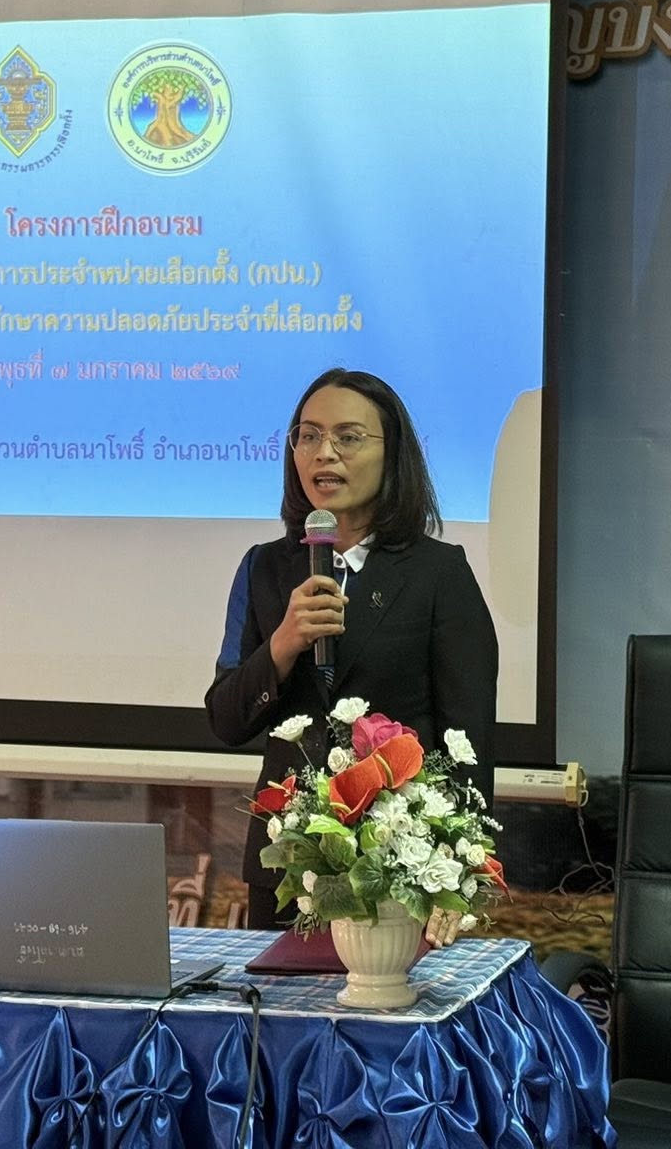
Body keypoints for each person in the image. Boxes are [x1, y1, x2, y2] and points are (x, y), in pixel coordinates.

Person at [204, 368, 498, 929]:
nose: (325, 453)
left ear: (393, 455)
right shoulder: (264, 567)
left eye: (348, 437)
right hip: (287, 866)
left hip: (397, 868)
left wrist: (463, 871)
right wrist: (283, 644)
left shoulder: (438, 573)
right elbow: (226, 718)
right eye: (309, 436)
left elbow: (469, 739)